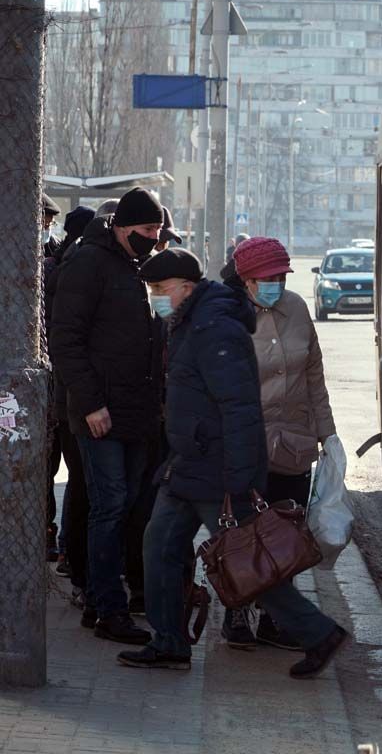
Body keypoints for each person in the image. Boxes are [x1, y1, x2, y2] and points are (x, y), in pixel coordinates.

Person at [119, 248, 347, 676]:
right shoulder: (189, 321)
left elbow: (241, 406)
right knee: (160, 544)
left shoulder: (214, 328)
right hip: (189, 464)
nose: (155, 297)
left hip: (217, 470)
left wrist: (241, 479)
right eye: (151, 289)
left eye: (161, 289)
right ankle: (169, 641)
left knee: (250, 564)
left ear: (187, 287)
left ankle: (319, 633)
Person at [50, 187, 165, 645]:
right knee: (108, 506)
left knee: (127, 506)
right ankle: (106, 609)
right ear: (121, 226)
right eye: (146, 230)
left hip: (136, 413)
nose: (153, 239)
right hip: (100, 415)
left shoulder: (135, 266)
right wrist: (92, 403)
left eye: (158, 231)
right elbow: (66, 342)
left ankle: (103, 601)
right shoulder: (88, 264)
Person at [225, 237, 336, 651]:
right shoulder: (230, 314)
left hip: (293, 444)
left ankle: (276, 619)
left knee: (287, 538)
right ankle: (237, 613)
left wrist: (328, 434)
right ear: (246, 280)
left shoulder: (297, 309)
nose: (274, 283)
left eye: (280, 276)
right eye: (265, 277)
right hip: (247, 446)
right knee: (244, 535)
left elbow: (314, 377)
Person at [45, 205, 96, 577]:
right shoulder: (59, 272)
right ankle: (62, 549)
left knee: (69, 478)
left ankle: (60, 546)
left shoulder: (60, 267)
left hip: (66, 397)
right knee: (72, 479)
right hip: (66, 397)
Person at [40, 194, 62, 560]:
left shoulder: (59, 257)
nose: (44, 229)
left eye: (46, 223)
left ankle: (45, 531)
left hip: (50, 373)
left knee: (47, 459)